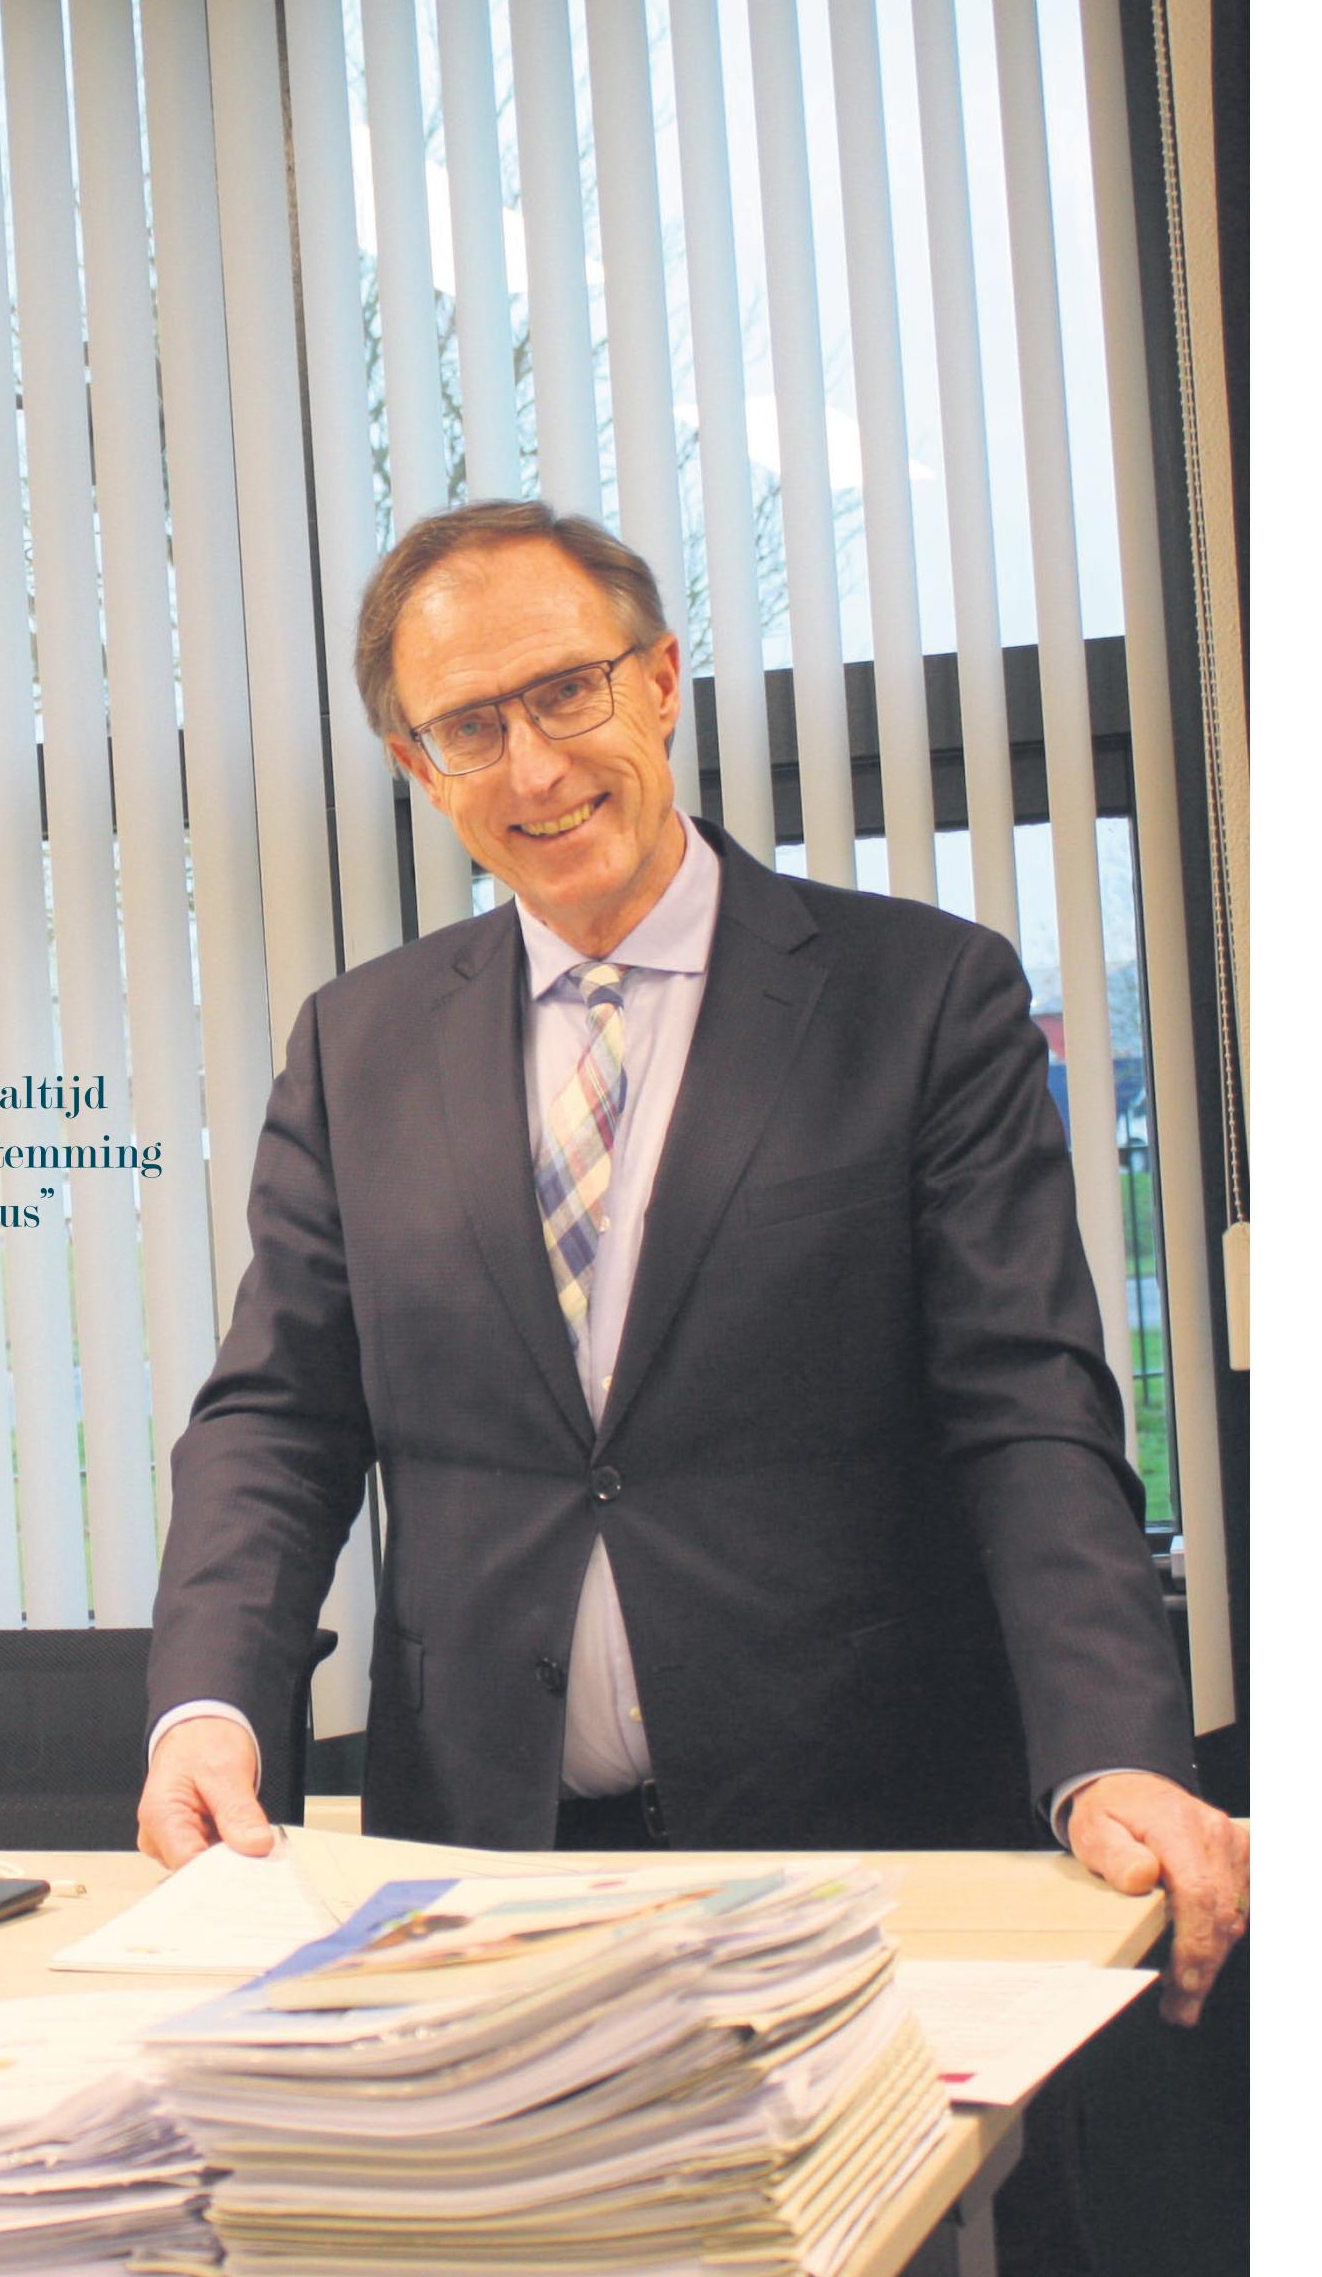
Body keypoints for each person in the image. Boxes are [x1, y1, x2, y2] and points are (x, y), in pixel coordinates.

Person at [139, 500, 1247, 2029]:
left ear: (659, 681)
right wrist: (208, 1707)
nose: (533, 767)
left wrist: (1109, 1748)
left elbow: (1026, 1413)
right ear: (418, 764)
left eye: (564, 692)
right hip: (485, 1867)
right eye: (470, 727)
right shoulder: (357, 1045)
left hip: (865, 1843)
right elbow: (278, 1415)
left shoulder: (919, 999)